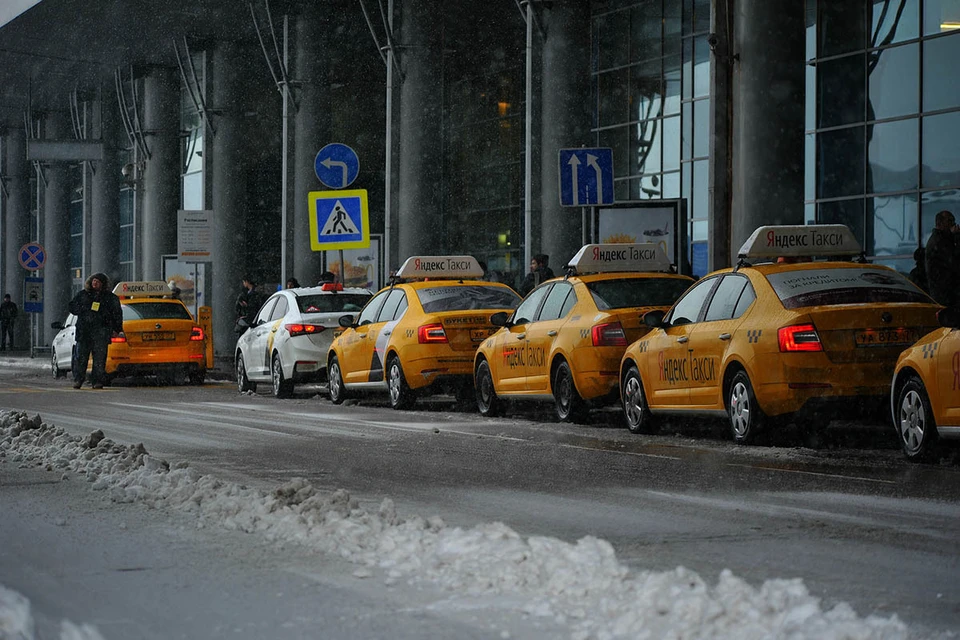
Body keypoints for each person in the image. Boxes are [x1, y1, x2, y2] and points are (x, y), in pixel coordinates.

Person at [68, 273, 123, 389]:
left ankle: (97, 381)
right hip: (84, 332)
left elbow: (117, 314)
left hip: (101, 332)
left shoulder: (110, 298)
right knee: (81, 358)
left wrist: (117, 329)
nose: (95, 283)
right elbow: (72, 307)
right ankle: (78, 379)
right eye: (93, 281)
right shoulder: (83, 295)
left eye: (97, 281)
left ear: (103, 284)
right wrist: (83, 310)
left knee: (99, 359)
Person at [924, 210, 960, 307]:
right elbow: (955, 262)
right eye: (950, 221)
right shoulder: (939, 242)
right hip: (945, 295)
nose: (953, 224)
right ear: (940, 223)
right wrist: (957, 237)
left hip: (945, 293)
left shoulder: (940, 240)